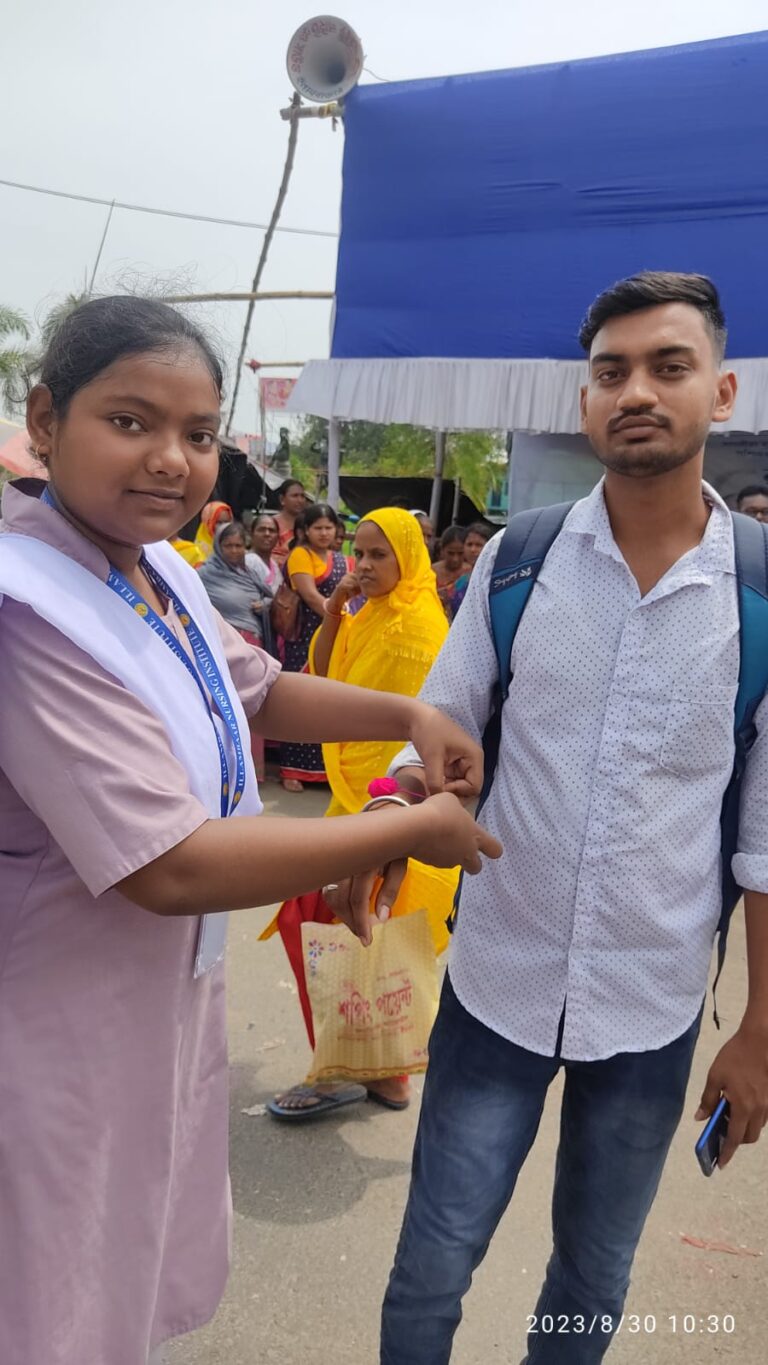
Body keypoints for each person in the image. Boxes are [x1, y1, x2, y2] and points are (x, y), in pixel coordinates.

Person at [0, 294, 500, 1365]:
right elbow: (171, 866)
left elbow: (262, 692)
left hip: (152, 995)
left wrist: (416, 715)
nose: (170, 459)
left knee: (118, 1238)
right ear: (45, 420)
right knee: (50, 1269)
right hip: (51, 1012)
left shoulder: (156, 573)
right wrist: (397, 832)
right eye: (129, 421)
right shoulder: (26, 610)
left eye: (195, 432)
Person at [339, 272, 768, 1365]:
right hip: (499, 982)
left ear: (720, 394)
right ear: (584, 401)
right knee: (433, 1259)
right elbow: (440, 719)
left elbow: (766, 840)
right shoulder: (518, 558)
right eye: (610, 371)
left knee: (591, 1272)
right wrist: (394, 811)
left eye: (668, 368)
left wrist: (760, 1031)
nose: (636, 391)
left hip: (653, 1000)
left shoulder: (760, 597)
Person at [265, 507, 456, 1119]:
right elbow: (322, 672)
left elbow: (409, 739)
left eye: (379, 555)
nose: (364, 565)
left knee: (358, 936)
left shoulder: (417, 629)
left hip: (388, 806)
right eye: (358, 552)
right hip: (358, 802)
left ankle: (349, 1071)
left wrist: (386, 820)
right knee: (335, 930)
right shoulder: (370, 613)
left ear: (409, 558)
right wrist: (337, 605)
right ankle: (381, 1073)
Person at [279, 502, 348, 792]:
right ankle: (292, 769)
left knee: (332, 701)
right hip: (308, 634)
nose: (323, 533)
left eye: (328, 527)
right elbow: (309, 595)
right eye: (317, 527)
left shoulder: (342, 559)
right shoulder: (300, 555)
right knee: (301, 701)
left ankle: (327, 771)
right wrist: (340, 619)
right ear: (306, 531)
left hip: (338, 636)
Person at [450, 521, 494, 615]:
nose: (473, 550)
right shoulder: (461, 581)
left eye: (478, 545)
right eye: (469, 544)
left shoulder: (493, 580)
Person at [245, 511, 282, 594]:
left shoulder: (274, 566)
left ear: (277, 537)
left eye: (272, 531)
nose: (267, 534)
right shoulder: (247, 561)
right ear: (251, 534)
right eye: (261, 530)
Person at [272, 477, 307, 565]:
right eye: (295, 496)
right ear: (282, 499)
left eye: (302, 496)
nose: (300, 500)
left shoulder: (309, 524)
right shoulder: (271, 524)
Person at [434, 524, 467, 613]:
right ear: (442, 550)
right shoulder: (431, 572)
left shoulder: (470, 574)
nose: (455, 559)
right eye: (450, 553)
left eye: (460, 553)